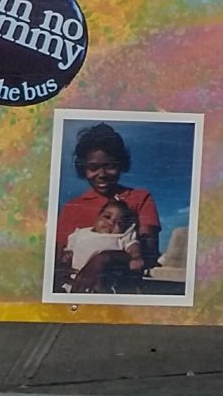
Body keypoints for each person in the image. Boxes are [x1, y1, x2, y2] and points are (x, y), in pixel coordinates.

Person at [52, 121, 159, 294]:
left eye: (110, 166)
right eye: (93, 167)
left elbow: (149, 253)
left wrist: (105, 258)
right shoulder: (71, 207)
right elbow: (57, 259)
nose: (101, 175)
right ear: (83, 168)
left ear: (121, 165)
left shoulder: (140, 198)